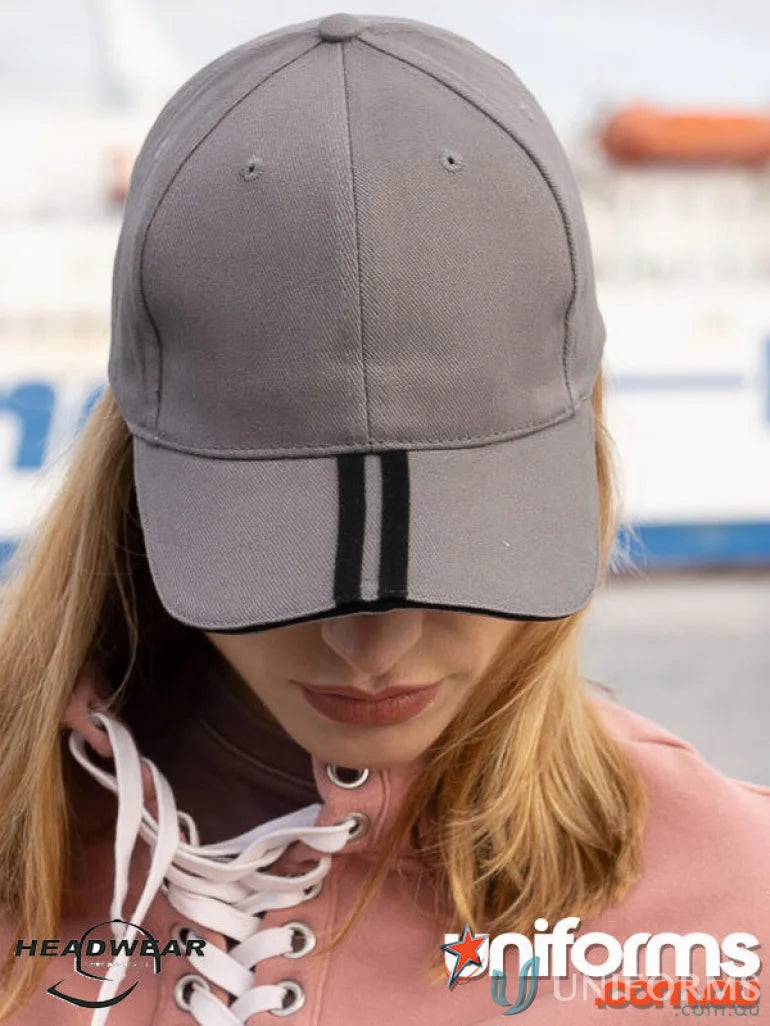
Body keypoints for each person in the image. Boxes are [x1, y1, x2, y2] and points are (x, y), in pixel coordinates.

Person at [0, 11, 768, 1026]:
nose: (374, 648)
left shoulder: (743, 906)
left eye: (459, 546)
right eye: (277, 554)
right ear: (138, 476)